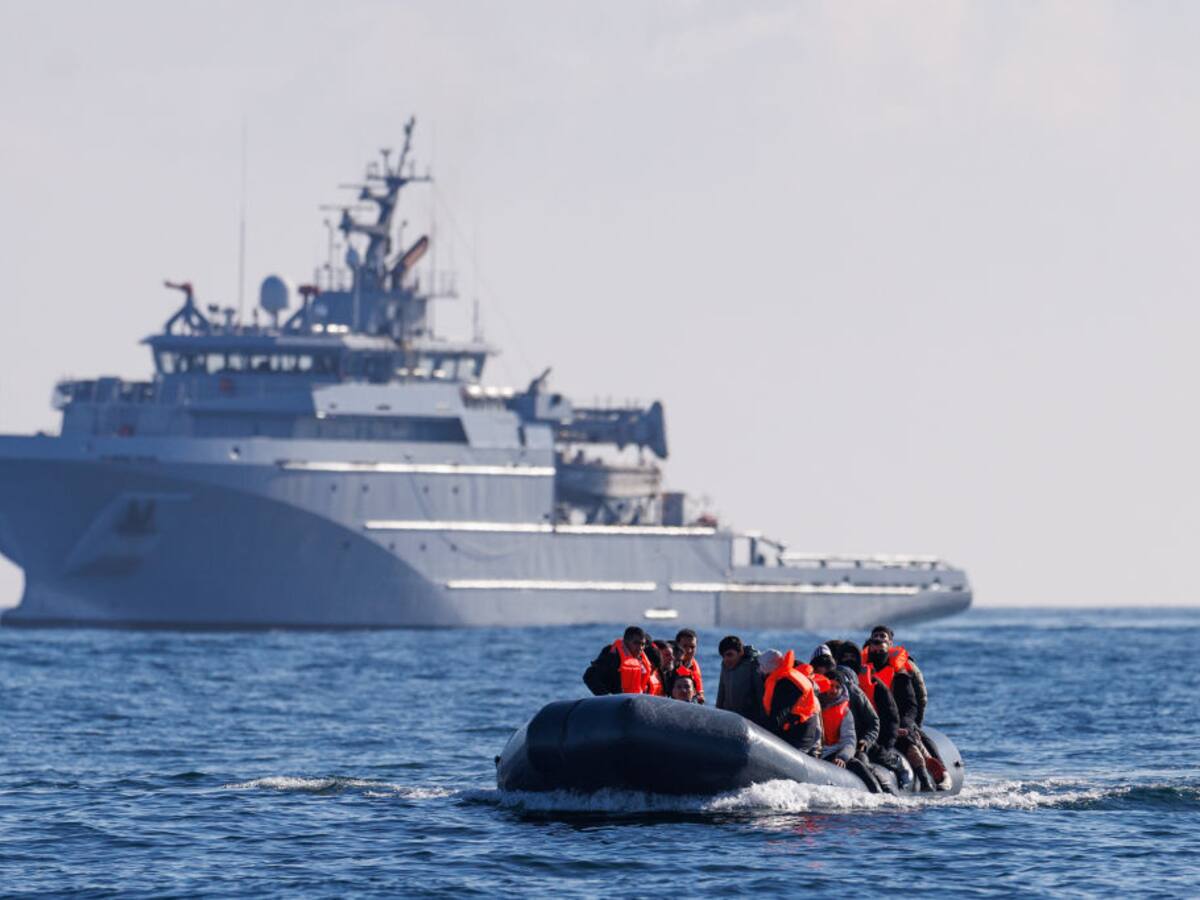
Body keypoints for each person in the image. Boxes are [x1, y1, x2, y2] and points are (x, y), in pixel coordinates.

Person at [834, 640, 911, 790]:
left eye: (852, 657)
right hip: (838, 741)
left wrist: (876, 742)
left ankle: (894, 767)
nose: (848, 660)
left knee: (871, 756)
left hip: (865, 739)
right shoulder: (829, 687)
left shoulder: (872, 685)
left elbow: (889, 718)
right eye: (845, 657)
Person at [811, 644, 882, 790]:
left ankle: (882, 793)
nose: (823, 671)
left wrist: (863, 743)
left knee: (861, 763)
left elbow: (858, 733)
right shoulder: (810, 696)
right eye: (819, 667)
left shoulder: (848, 702)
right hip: (815, 753)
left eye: (827, 666)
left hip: (851, 746)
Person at [758, 649, 822, 756]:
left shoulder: (787, 684)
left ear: (769, 667)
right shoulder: (785, 678)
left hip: (800, 735)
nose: (759, 669)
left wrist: (759, 733)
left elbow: (778, 718)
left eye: (761, 666)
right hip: (795, 729)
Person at [869, 624, 928, 727]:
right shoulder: (863, 667)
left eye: (882, 636)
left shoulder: (903, 670)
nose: (878, 638)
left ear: (890, 643)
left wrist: (914, 723)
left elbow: (920, 695)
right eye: (875, 636)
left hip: (901, 719)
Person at [582, 625, 652, 695]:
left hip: (629, 701)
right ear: (626, 642)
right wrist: (607, 696)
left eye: (642, 644)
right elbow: (589, 675)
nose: (640, 648)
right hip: (614, 702)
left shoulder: (641, 661)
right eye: (636, 643)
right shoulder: (613, 656)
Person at [715, 635, 763, 722]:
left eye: (730, 655)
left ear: (740, 652)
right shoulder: (725, 666)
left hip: (749, 723)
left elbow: (761, 696)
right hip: (728, 721)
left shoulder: (753, 665)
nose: (726, 659)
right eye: (723, 656)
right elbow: (721, 694)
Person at [673, 628, 704, 704]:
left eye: (692, 647)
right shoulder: (669, 665)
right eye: (685, 646)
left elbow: (700, 697)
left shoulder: (694, 667)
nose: (689, 650)